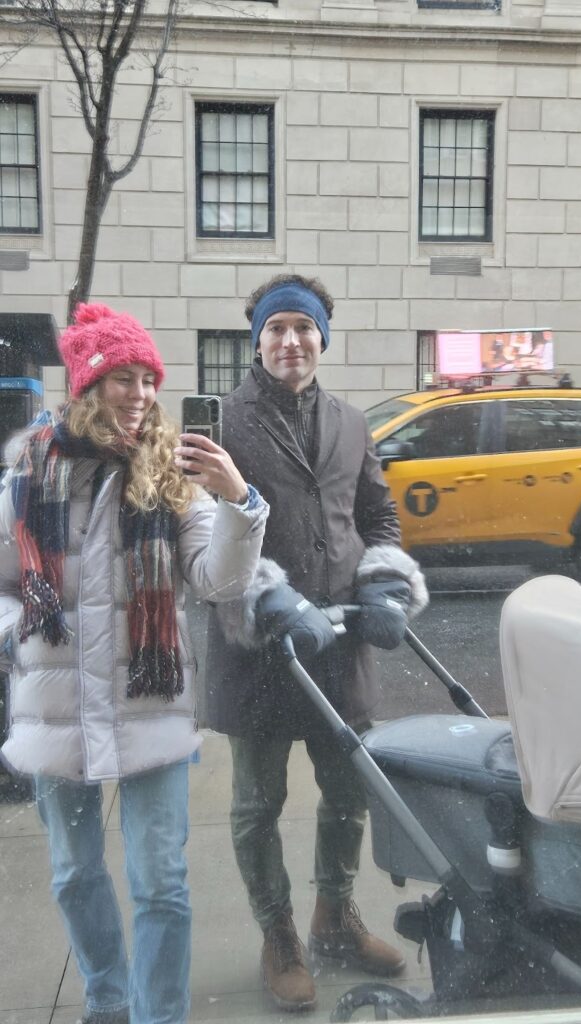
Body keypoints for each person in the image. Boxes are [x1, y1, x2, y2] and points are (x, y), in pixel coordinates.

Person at [0, 302, 268, 1024]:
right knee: (73, 874)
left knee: (163, 883)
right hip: (55, 705)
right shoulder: (27, 472)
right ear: (89, 385)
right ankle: (108, 999)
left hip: (153, 702)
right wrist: (22, 627)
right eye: (124, 378)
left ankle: (160, 1016)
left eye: (148, 379)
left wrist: (240, 502)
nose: (141, 395)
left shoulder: (170, 475)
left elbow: (219, 581)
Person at [205, 274, 428, 1011]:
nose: (291, 342)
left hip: (339, 645)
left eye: (304, 329)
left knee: (347, 797)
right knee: (256, 806)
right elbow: (201, 537)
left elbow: (379, 517)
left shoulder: (352, 422)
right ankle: (281, 938)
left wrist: (385, 587)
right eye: (277, 329)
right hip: (260, 650)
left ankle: (334, 917)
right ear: (257, 340)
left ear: (321, 340)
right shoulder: (220, 425)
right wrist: (271, 597)